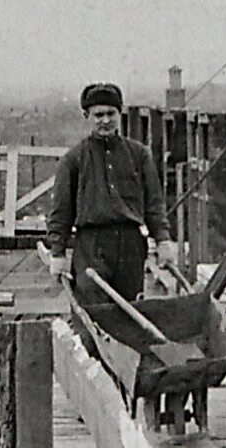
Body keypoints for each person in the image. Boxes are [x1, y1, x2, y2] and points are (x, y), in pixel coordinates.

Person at [45, 82, 178, 305]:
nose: (105, 120)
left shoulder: (139, 155)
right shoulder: (73, 159)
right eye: (98, 115)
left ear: (119, 114)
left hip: (130, 246)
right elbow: (61, 211)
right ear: (87, 115)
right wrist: (57, 253)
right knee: (93, 309)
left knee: (131, 310)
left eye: (111, 113)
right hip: (91, 247)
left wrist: (163, 240)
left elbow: (154, 204)